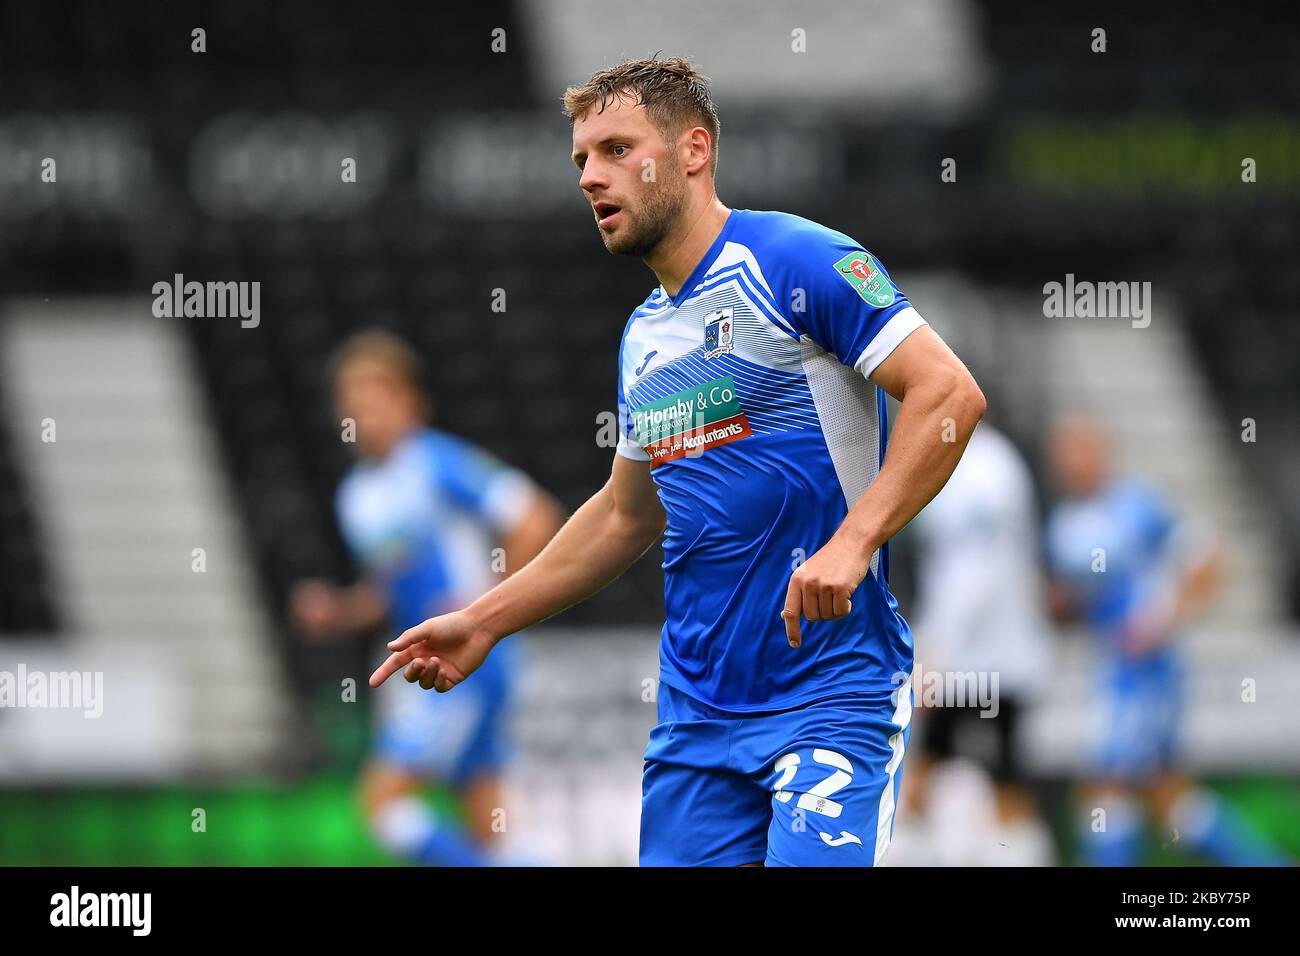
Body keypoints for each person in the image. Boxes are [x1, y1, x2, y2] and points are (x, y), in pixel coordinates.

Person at [370, 56, 986, 867]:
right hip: (696, 720)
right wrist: (483, 621)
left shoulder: (795, 260)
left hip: (829, 698)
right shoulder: (644, 338)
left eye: (617, 149)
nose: (591, 176)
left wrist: (855, 539)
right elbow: (626, 515)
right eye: (581, 159)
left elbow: (948, 393)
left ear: (693, 151)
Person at [291, 330, 564, 866]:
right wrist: (340, 610)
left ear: (410, 402)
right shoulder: (357, 496)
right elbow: (388, 591)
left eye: (377, 396)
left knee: (381, 805)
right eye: (354, 400)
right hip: (434, 661)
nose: (364, 412)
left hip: (464, 659)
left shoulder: (436, 462)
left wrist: (482, 602)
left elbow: (534, 516)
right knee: (487, 820)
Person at [1045, 414, 1289, 866]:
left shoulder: (1137, 505)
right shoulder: (1062, 524)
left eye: (1079, 451)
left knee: (1106, 786)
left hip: (1149, 672)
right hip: (1114, 669)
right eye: (1063, 455)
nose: (1070, 463)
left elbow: (1206, 561)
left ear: (1101, 452)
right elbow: (1075, 599)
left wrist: (1161, 617)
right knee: (1166, 794)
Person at [903, 422, 1055, 866]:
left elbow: (975, 575)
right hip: (989, 656)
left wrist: (934, 652)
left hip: (983, 664)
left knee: (963, 778)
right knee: (960, 775)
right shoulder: (992, 462)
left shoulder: (979, 473)